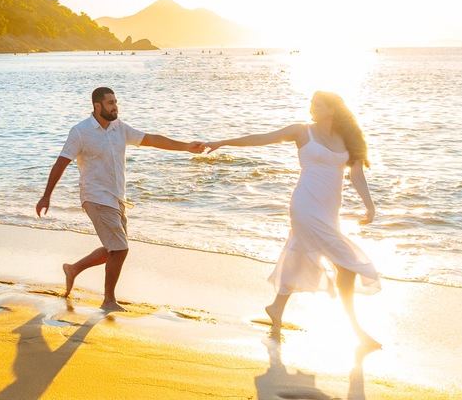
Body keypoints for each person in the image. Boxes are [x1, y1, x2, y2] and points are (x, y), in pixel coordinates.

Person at [204, 91, 381, 350]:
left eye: (317, 105)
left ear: (333, 109)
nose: (312, 108)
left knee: (300, 257)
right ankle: (356, 331)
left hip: (329, 208)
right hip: (305, 205)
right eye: (311, 104)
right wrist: (223, 142)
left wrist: (370, 205)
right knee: (348, 265)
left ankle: (276, 307)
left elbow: (357, 176)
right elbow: (262, 139)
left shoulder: (349, 138)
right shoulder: (302, 132)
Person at [36, 87, 207, 312]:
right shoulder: (80, 131)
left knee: (113, 248)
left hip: (117, 198)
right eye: (110, 103)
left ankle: (73, 269)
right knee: (120, 248)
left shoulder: (119, 128)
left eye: (116, 102)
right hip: (95, 196)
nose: (115, 106)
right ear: (97, 106)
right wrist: (46, 196)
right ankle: (108, 301)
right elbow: (61, 163)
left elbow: (151, 139)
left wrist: (185, 146)